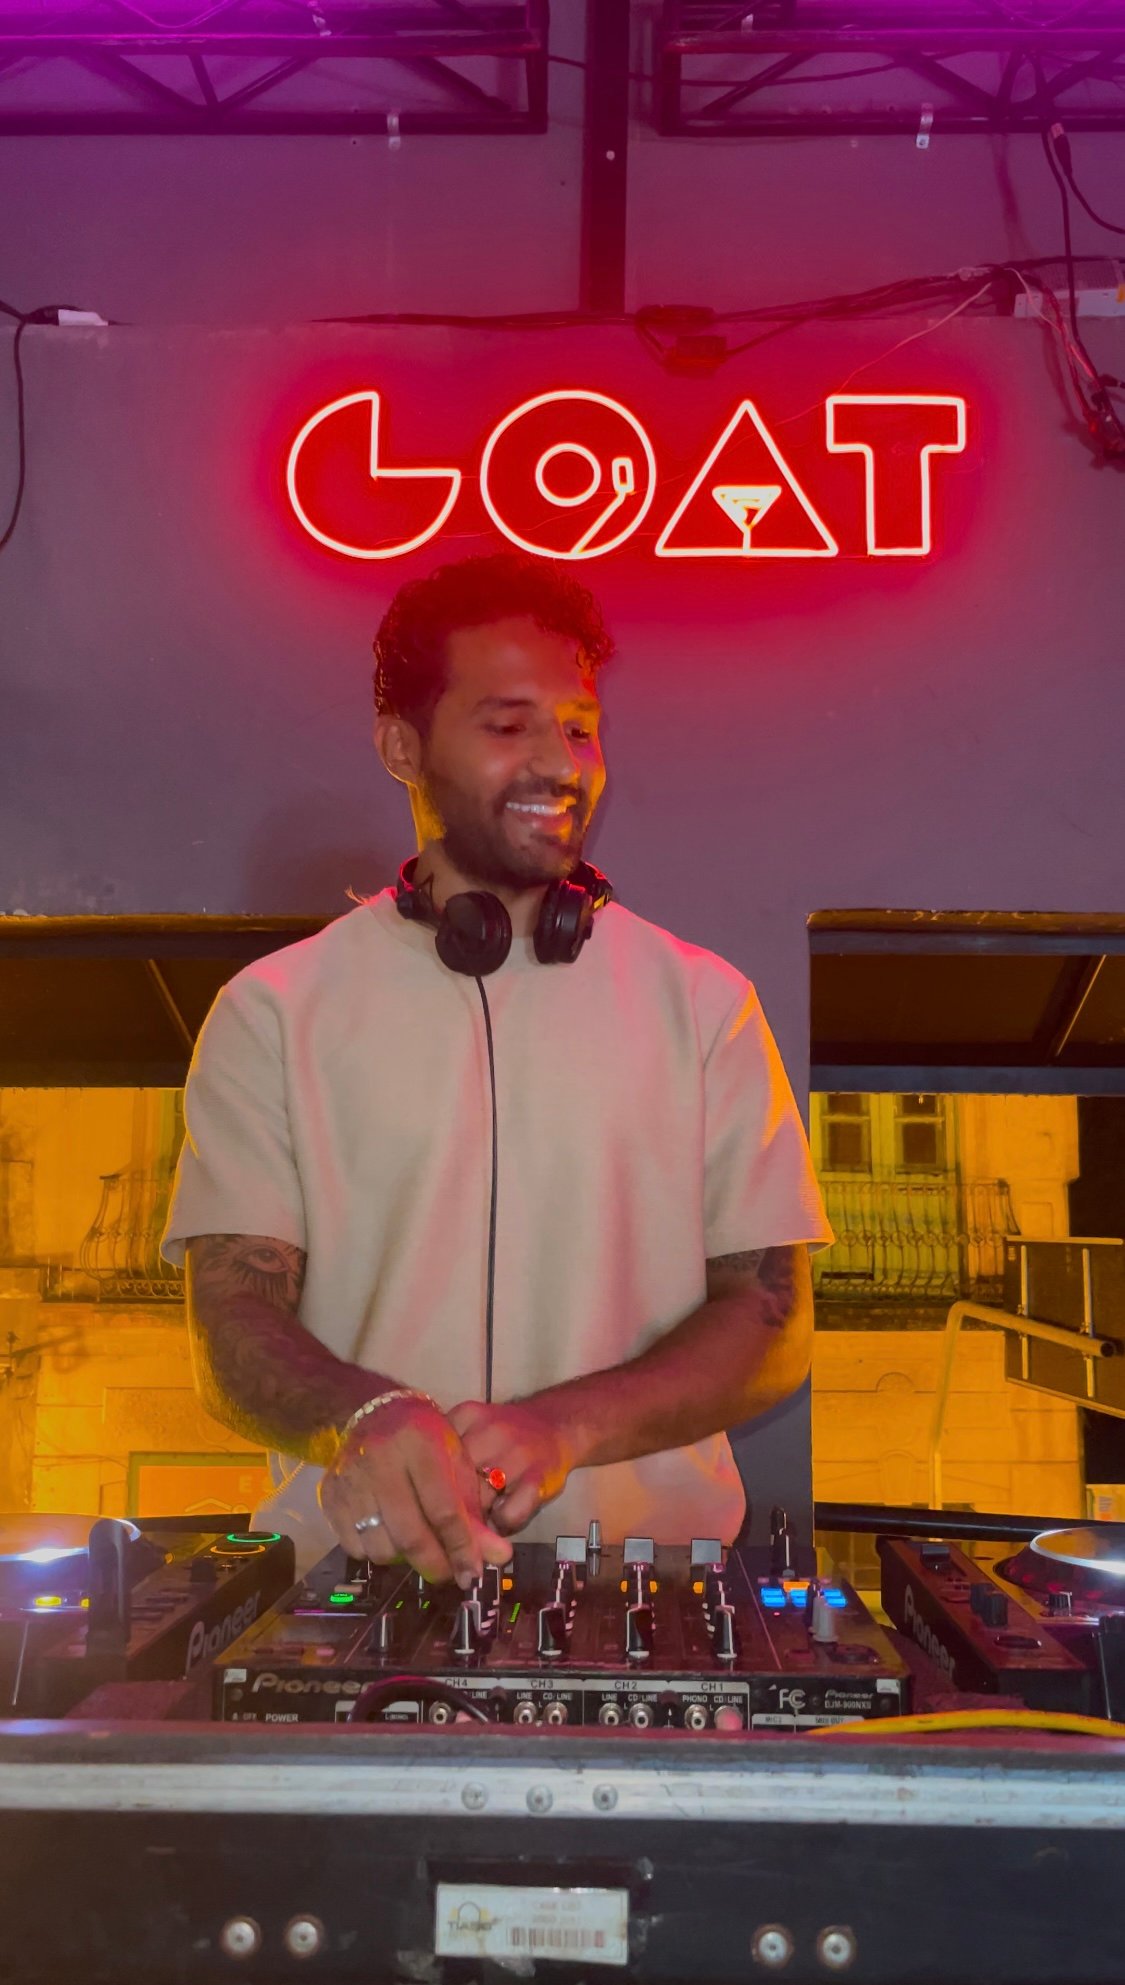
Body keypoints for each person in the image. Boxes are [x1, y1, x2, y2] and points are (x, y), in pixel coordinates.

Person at [161, 553, 833, 1588]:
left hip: (644, 1591)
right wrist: (365, 1415)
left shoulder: (706, 1005)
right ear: (402, 746)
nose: (560, 763)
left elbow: (771, 1321)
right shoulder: (274, 1013)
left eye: (578, 726)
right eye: (508, 724)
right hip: (352, 1581)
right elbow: (231, 1324)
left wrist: (567, 1425)